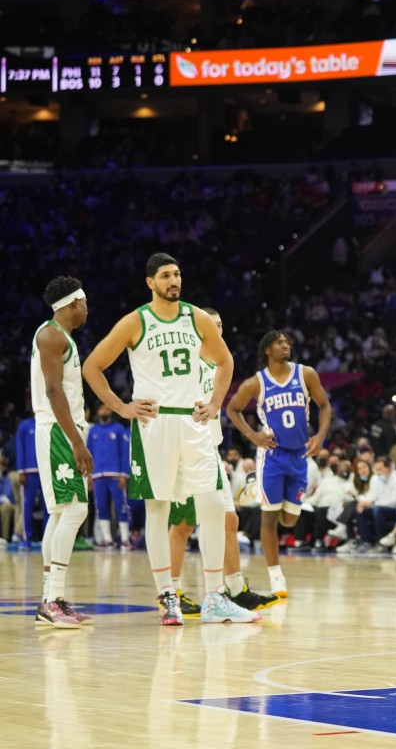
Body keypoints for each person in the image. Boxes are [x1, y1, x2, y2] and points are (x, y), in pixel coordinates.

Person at [82, 252, 254, 625]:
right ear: (151, 283)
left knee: (211, 507)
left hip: (192, 423)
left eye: (177, 274)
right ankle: (167, 596)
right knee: (158, 512)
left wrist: (215, 403)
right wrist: (121, 406)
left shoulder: (198, 317)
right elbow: (92, 365)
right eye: (165, 276)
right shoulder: (135, 321)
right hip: (154, 425)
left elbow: (225, 363)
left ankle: (214, 598)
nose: (174, 281)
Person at [167, 308, 279, 616]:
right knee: (183, 524)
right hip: (187, 450)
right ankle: (171, 592)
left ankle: (234, 589)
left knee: (229, 520)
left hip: (209, 448)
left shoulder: (219, 365)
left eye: (220, 325)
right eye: (211, 325)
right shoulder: (186, 360)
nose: (217, 330)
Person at [226, 330, 332, 596]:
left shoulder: (306, 374)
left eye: (287, 342)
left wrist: (320, 435)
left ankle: (262, 492)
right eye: (279, 342)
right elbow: (232, 409)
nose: (286, 345)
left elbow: (325, 406)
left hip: (299, 457)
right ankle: (276, 578)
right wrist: (253, 435)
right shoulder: (256, 383)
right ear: (267, 350)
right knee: (269, 517)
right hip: (272, 456)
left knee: (289, 520)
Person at [30, 277, 94, 628]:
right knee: (75, 509)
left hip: (61, 429)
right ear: (73, 304)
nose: (87, 309)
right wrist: (77, 442)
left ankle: (50, 599)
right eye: (85, 303)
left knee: (59, 514)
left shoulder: (59, 336)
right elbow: (54, 392)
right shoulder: (51, 334)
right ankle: (52, 600)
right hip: (57, 430)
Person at [86, 406, 131, 548]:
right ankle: (107, 540)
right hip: (98, 476)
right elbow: (89, 454)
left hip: (116, 475)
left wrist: (124, 474)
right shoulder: (93, 431)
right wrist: (88, 476)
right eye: (101, 409)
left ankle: (125, 539)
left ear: (111, 411)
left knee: (121, 507)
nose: (104, 411)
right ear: (97, 411)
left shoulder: (119, 429)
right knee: (101, 508)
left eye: (106, 409)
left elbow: (125, 453)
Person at [15, 414, 42, 547]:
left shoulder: (49, 422)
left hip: (46, 470)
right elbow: (19, 448)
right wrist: (21, 470)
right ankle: (27, 537)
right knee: (27, 506)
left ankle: (47, 538)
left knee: (50, 507)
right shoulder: (24, 425)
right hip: (29, 471)